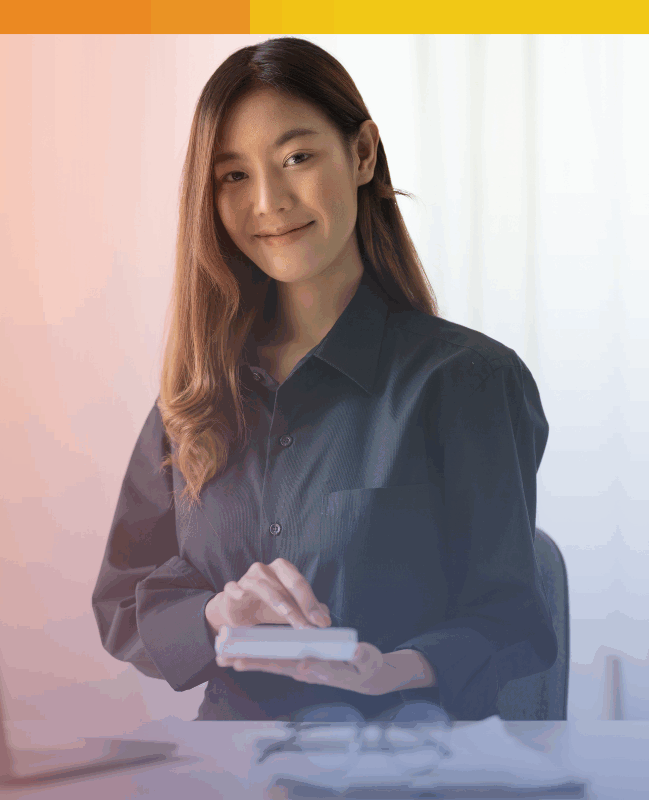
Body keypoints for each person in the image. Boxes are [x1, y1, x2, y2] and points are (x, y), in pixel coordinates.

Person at [91, 37, 557, 723]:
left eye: (297, 158)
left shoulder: (468, 383)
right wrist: (217, 614)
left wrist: (393, 670)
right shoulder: (196, 396)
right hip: (226, 771)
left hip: (402, 765)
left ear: (362, 154)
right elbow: (123, 601)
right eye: (234, 176)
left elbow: (511, 619)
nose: (270, 201)